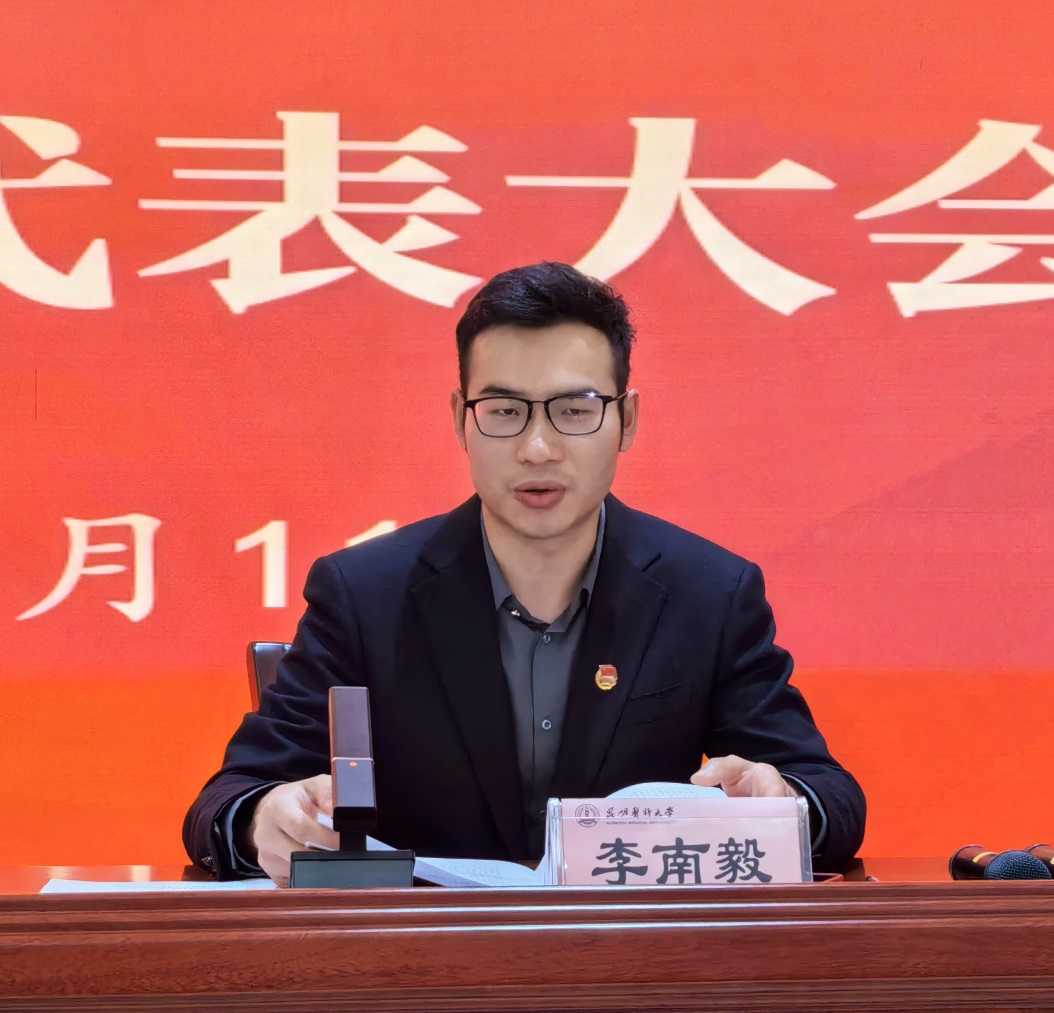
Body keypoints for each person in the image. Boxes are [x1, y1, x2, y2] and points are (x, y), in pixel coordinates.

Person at [184, 261, 866, 885]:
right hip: (421, 957)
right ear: (461, 421)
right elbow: (226, 800)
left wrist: (783, 803)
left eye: (574, 411)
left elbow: (830, 797)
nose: (538, 448)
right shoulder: (363, 595)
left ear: (626, 420)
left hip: (635, 960)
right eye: (505, 411)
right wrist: (263, 817)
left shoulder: (710, 594)